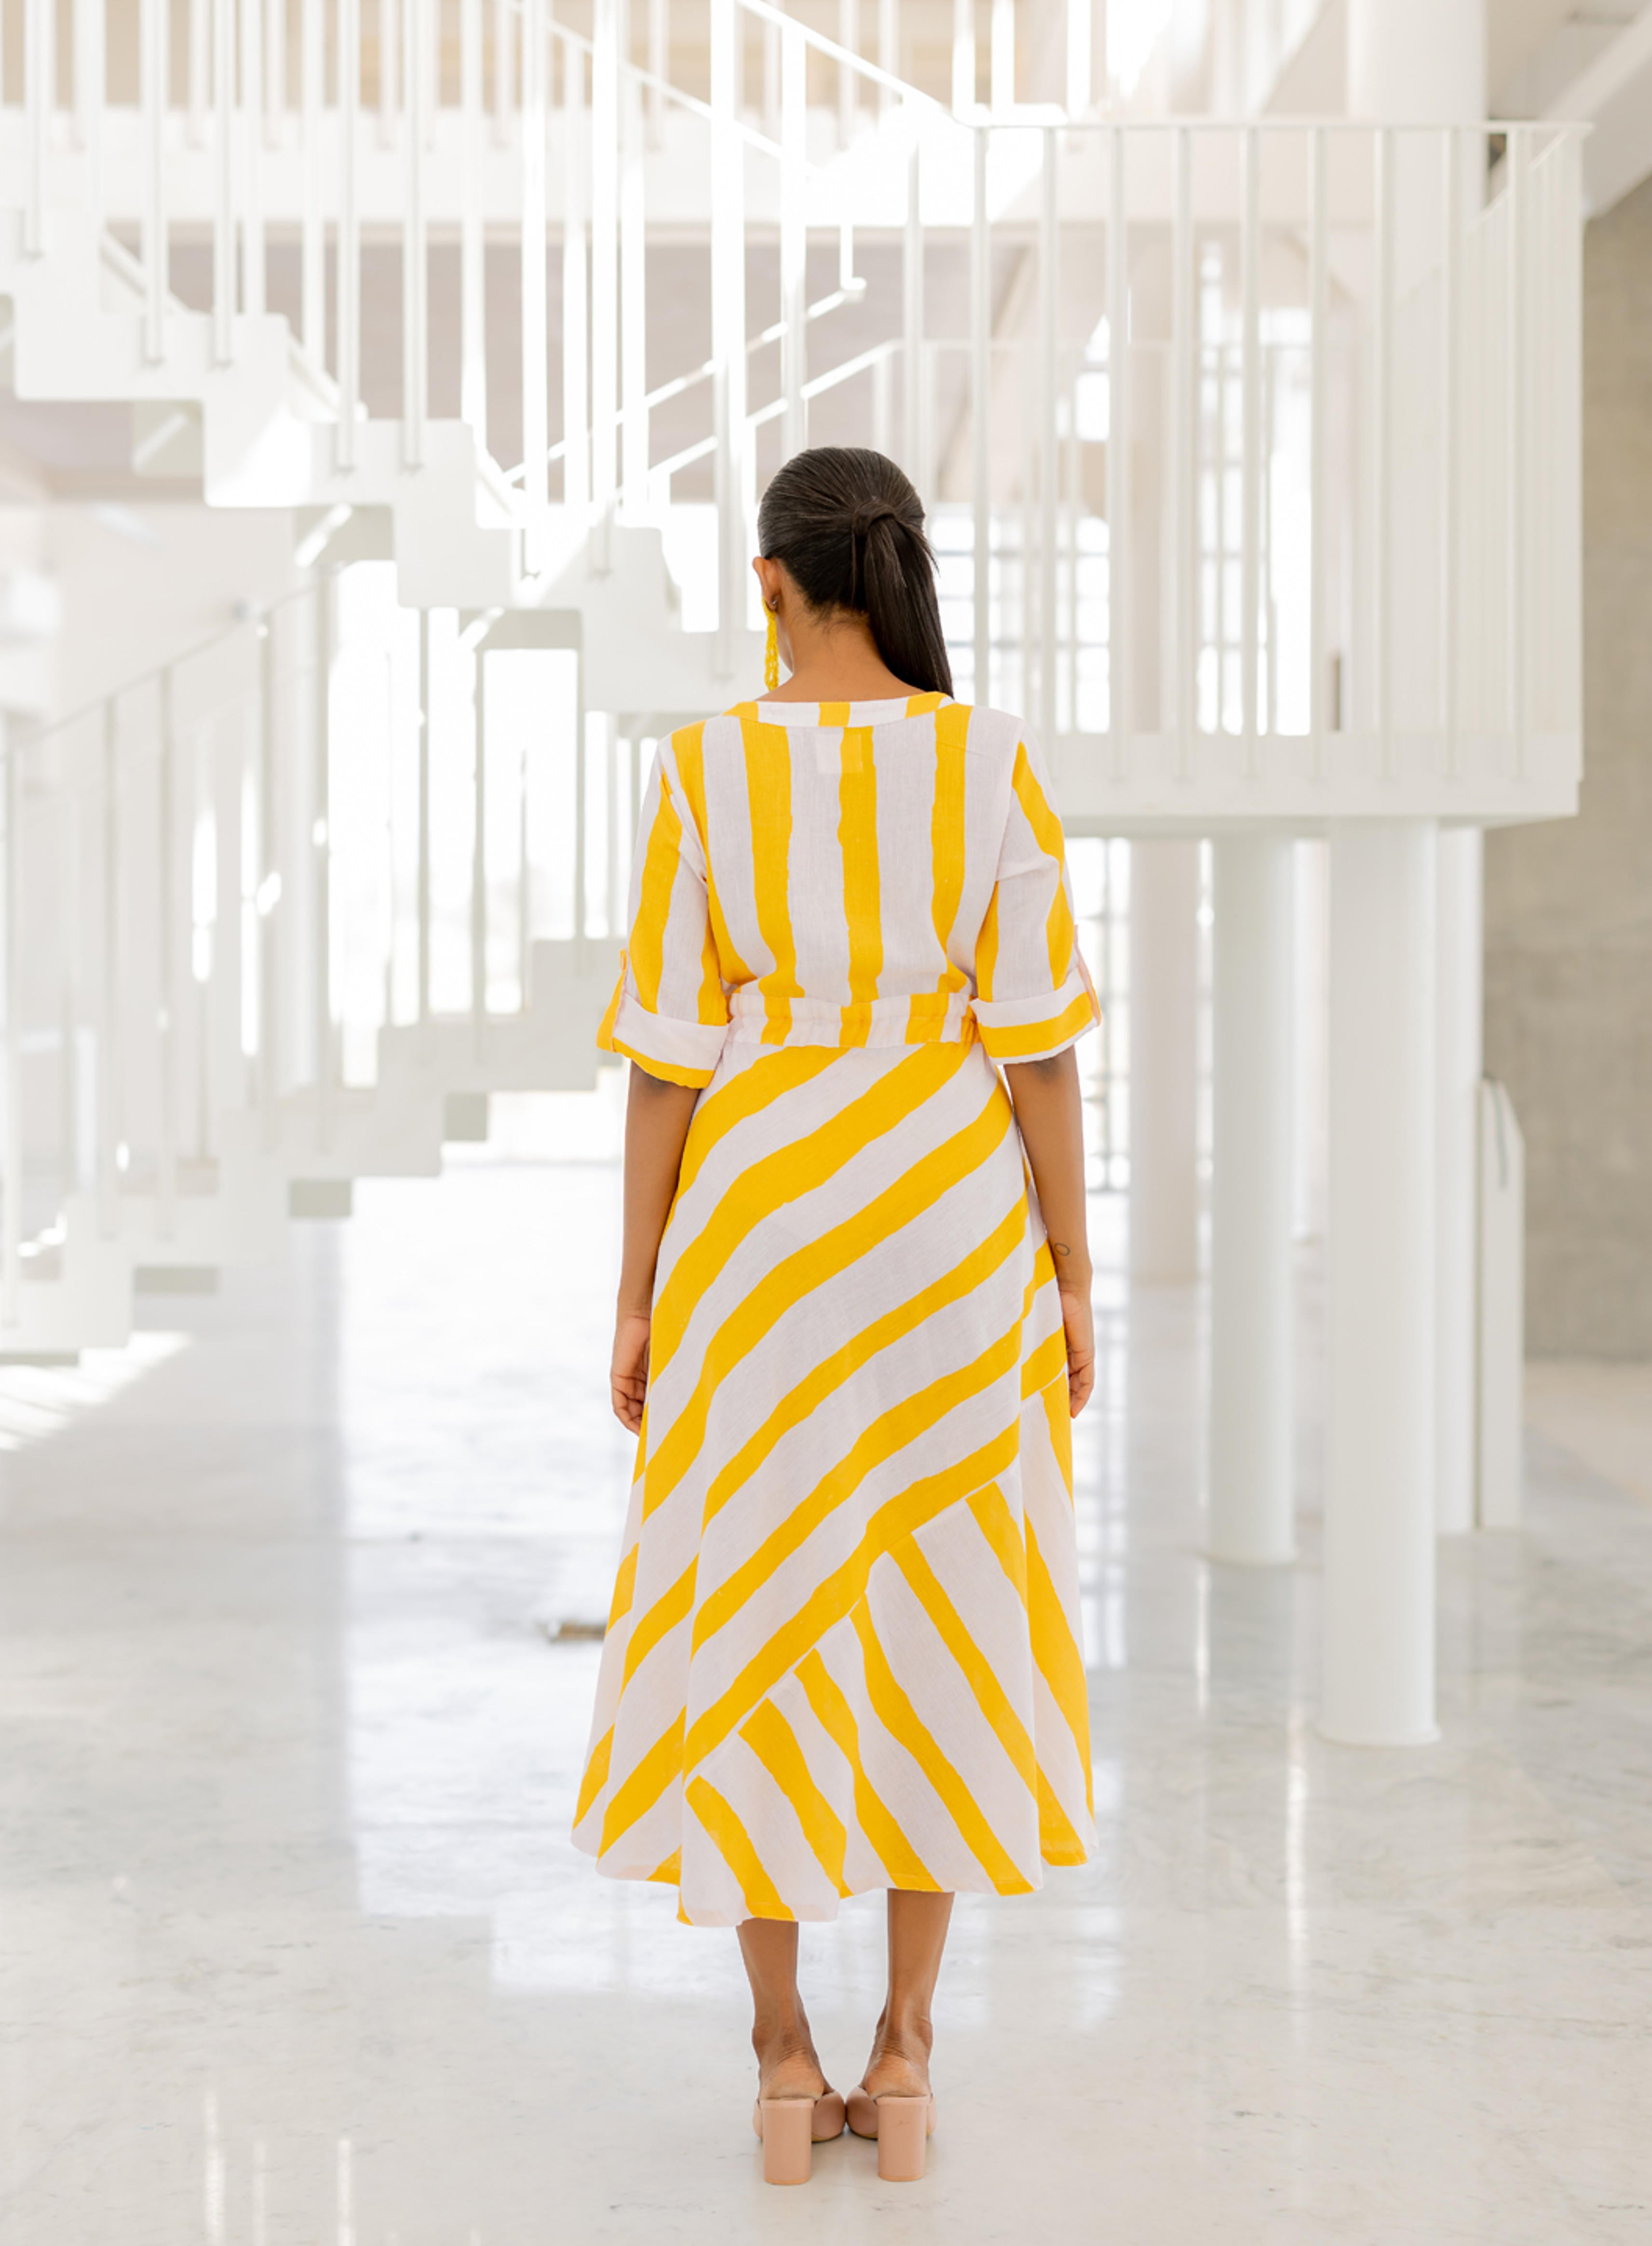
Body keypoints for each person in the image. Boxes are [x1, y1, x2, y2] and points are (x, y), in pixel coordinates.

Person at [571, 445, 1098, 2185]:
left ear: (770, 581)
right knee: (944, 1598)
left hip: (767, 1222)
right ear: (896, 572)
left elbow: (665, 1064)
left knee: (763, 1596)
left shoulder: (706, 767)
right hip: (947, 1216)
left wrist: (637, 1291)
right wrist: (1070, 1271)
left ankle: (783, 2058)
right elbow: (1038, 1052)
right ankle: (908, 2049)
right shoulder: (987, 759)